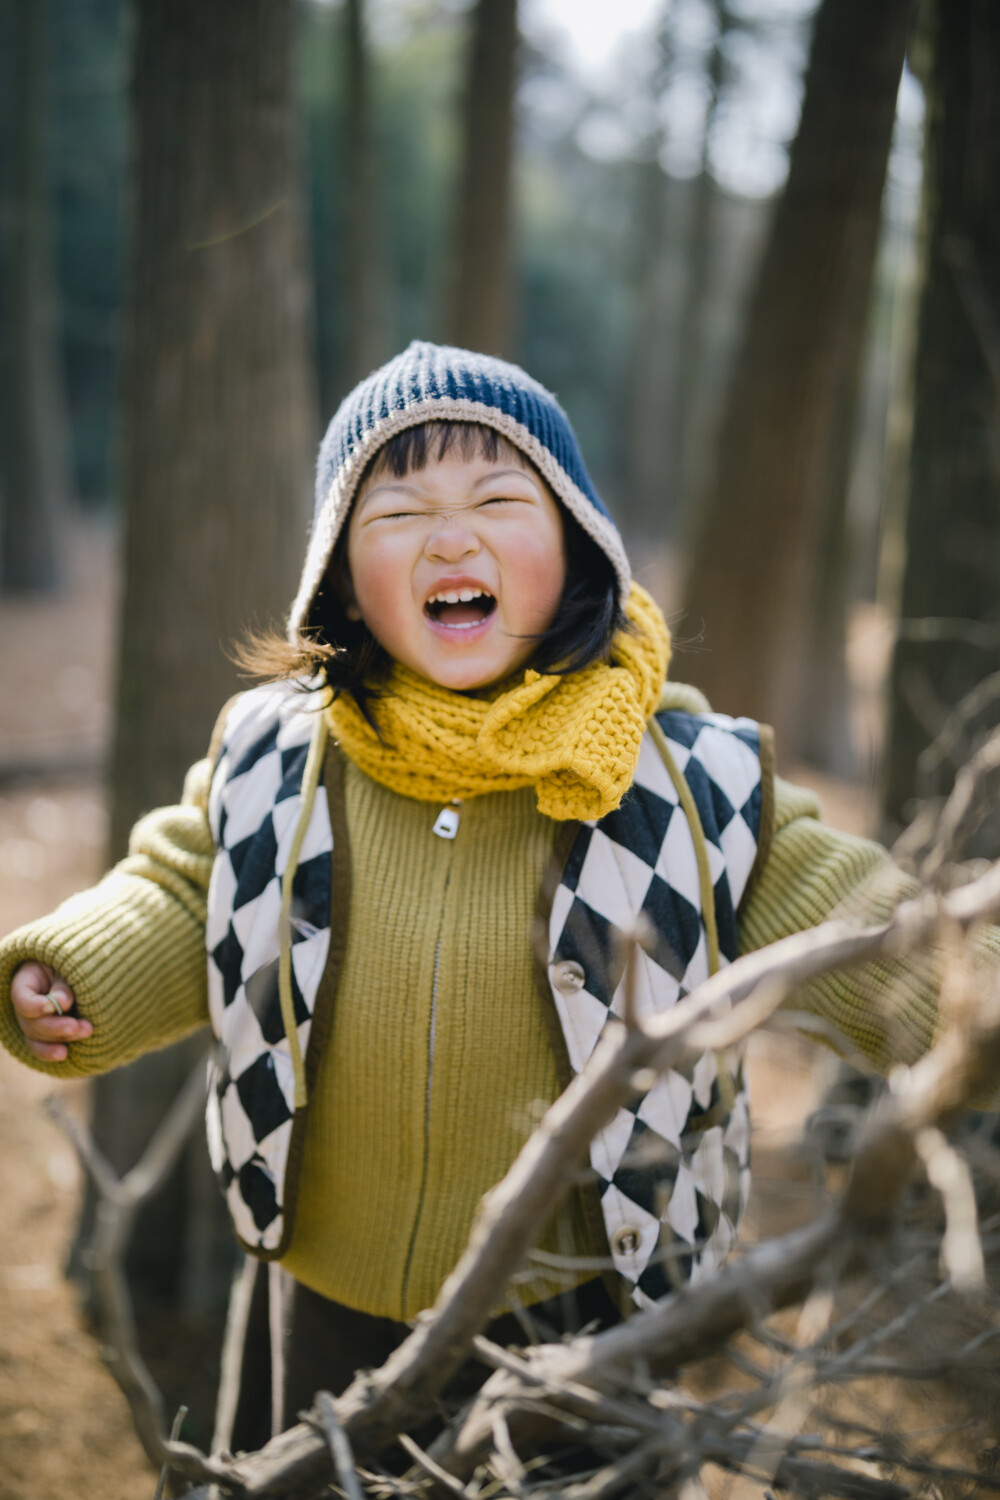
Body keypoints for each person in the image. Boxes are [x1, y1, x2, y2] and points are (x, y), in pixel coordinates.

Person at [0, 342, 978, 1451]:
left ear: (576, 548)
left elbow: (850, 917)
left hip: (583, 1316)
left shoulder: (684, 779)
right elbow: (184, 892)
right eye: (397, 511)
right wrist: (76, 969)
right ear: (343, 586)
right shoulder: (280, 757)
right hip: (322, 1299)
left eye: (497, 499)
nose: (448, 536)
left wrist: (964, 991)